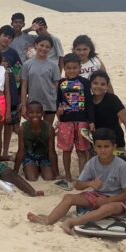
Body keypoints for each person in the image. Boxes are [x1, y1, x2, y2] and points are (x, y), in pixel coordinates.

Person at [27, 128, 126, 235]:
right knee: (68, 197)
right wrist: (90, 183)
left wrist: (108, 200)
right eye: (99, 146)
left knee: (108, 208)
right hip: (96, 196)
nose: (102, 150)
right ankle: (49, 219)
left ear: (114, 147)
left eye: (106, 146)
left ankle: (72, 222)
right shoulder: (92, 163)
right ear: (94, 147)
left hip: (116, 200)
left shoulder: (122, 165)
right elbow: (77, 185)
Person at [56, 53, 96, 185]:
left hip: (82, 121)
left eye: (75, 68)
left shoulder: (85, 82)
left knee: (81, 150)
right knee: (66, 150)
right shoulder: (61, 83)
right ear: (64, 68)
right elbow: (58, 100)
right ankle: (67, 175)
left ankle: (82, 177)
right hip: (65, 122)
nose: (72, 70)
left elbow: (89, 103)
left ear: (80, 68)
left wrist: (91, 121)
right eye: (68, 68)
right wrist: (59, 110)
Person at [90, 71, 126, 156]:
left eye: (102, 84)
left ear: (107, 86)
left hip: (115, 144)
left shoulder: (112, 100)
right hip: (97, 145)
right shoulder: (88, 101)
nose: (98, 86)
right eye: (95, 83)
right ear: (90, 84)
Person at [20, 35, 61, 130]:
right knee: (33, 130)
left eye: (47, 47)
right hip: (33, 103)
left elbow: (56, 86)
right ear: (36, 45)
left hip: (49, 103)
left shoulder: (54, 65)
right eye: (41, 45)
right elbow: (24, 86)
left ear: (51, 49)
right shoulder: (27, 64)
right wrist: (23, 105)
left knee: (47, 130)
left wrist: (57, 104)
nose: (44, 48)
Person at [0, 25, 22, 157]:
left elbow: (19, 71)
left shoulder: (13, 53)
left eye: (10, 37)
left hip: (11, 93)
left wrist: (19, 92)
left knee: (8, 124)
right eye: (4, 35)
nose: (7, 39)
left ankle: (5, 152)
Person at [15, 101, 56, 181]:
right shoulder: (22, 129)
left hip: (45, 157)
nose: (35, 115)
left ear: (43, 113)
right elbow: (21, 151)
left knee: (49, 178)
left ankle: (41, 167)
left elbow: (52, 152)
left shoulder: (49, 129)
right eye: (31, 113)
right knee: (32, 178)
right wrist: (15, 170)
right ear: (27, 114)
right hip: (29, 157)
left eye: (38, 112)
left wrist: (56, 172)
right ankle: (32, 167)